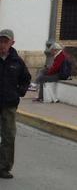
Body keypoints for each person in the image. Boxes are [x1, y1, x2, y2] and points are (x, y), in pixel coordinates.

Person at [0, 29, 32, 179]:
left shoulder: (17, 62)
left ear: (12, 43)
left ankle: (4, 167)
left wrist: (19, 92)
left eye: (5, 41)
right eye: (0, 41)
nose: (2, 44)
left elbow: (26, 79)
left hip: (9, 105)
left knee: (9, 136)